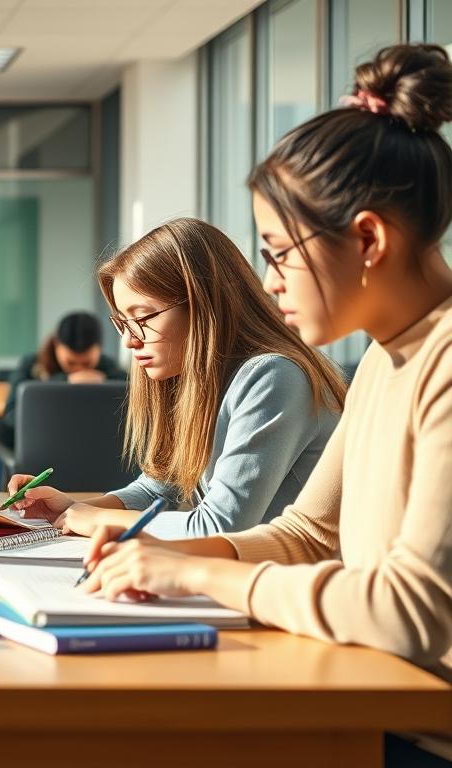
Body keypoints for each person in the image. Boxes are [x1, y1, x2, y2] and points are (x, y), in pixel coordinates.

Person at [77, 45, 452, 765]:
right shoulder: (384, 357)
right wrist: (162, 552)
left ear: (368, 238)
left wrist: (195, 570)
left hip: (417, 730)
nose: (269, 279)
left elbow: (410, 612)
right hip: (372, 696)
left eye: (279, 252)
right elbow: (309, 533)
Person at [7, 217, 345, 538]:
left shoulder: (273, 378)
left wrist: (99, 519)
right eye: (123, 322)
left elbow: (218, 529)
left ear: (204, 306)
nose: (129, 340)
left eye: (143, 317)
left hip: (291, 588)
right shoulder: (193, 379)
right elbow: (156, 489)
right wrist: (75, 509)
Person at [0, 311, 126, 450]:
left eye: (87, 364)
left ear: (99, 348)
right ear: (56, 345)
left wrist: (105, 382)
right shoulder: (31, 366)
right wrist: (63, 383)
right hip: (41, 448)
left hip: (92, 448)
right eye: (71, 363)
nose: (79, 370)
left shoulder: (109, 370)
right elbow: (10, 420)